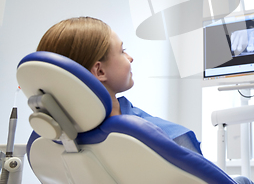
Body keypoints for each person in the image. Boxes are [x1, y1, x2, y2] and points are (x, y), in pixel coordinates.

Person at [36, 17, 202, 154]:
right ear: (100, 71)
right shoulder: (169, 138)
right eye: (123, 51)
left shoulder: (52, 143)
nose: (130, 58)